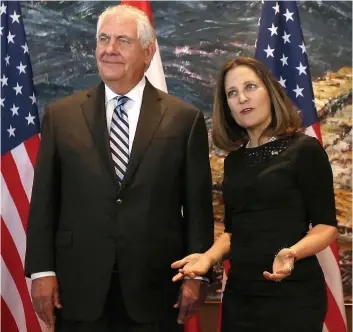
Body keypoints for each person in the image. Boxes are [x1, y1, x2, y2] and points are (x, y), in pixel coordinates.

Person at [25, 5, 213, 332]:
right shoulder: (61, 116)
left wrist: (195, 275)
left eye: (122, 40)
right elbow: (44, 202)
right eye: (103, 39)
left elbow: (198, 209)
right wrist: (42, 272)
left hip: (156, 291)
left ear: (148, 51)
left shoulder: (184, 119)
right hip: (77, 289)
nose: (109, 49)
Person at [172, 57, 338, 332]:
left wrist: (292, 253)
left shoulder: (304, 150)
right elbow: (233, 232)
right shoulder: (233, 162)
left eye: (250, 87)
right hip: (241, 296)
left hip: (292, 296)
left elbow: (326, 227)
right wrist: (207, 258)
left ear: (269, 92)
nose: (242, 98)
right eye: (232, 93)